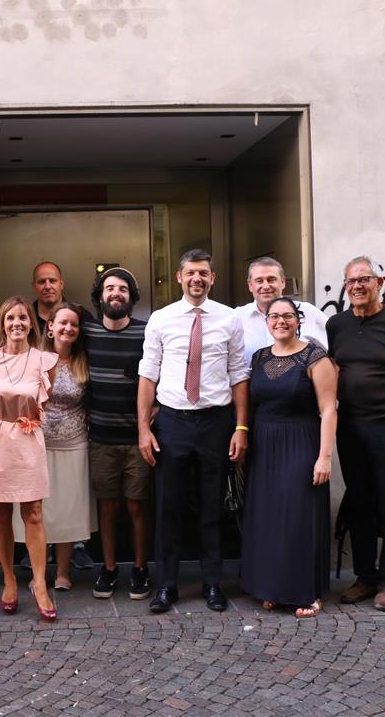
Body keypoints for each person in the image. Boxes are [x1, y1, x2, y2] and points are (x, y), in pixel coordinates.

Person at [138, 250, 250, 614]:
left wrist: (241, 427)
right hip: (172, 421)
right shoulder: (161, 319)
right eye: (190, 273)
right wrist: (143, 429)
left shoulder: (230, 319)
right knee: (168, 506)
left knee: (211, 505)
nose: (196, 279)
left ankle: (213, 582)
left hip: (215, 421)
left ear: (212, 278)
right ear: (179, 277)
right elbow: (148, 374)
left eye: (203, 273)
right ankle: (166, 585)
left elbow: (239, 374)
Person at [328, 256, 385, 611]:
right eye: (351, 281)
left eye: (364, 279)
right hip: (350, 426)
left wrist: (384, 401)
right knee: (359, 501)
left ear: (379, 283)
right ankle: (366, 577)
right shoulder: (337, 325)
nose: (357, 286)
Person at [239, 296, 337, 618]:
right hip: (265, 446)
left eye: (288, 316)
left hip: (301, 443)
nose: (280, 321)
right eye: (274, 316)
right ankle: (274, 588)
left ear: (298, 320)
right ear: (266, 322)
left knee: (298, 517)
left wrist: (325, 457)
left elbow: (328, 410)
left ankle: (306, 592)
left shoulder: (315, 357)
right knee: (269, 519)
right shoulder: (259, 357)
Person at [0, 296, 59, 621]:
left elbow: (43, 404)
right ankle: (9, 580)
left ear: (31, 324)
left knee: (34, 513)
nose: (17, 323)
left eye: (22, 317)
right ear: (2, 323)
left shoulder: (44, 360)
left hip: (27, 439)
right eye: (10, 318)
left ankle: (39, 583)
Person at [13, 303, 94, 591]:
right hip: (38, 445)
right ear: (50, 326)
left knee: (67, 510)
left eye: (74, 324)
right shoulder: (35, 359)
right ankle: (39, 574)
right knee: (39, 511)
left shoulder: (84, 361)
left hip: (74, 445)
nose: (68, 328)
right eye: (63, 323)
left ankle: (62, 573)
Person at [84, 267, 153, 601]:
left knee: (138, 507)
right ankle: (109, 568)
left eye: (122, 289)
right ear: (100, 296)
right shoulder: (87, 332)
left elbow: (160, 375)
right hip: (100, 438)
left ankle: (140, 568)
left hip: (138, 439)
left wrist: (155, 411)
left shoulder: (146, 332)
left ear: (131, 297)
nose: (116, 293)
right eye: (109, 288)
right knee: (108, 507)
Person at [28, 261, 95, 571]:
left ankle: (69, 558)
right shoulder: (28, 328)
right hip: (39, 441)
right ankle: (38, 559)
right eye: (42, 281)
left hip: (74, 441)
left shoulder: (83, 351)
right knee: (41, 505)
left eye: (52, 280)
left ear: (62, 283)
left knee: (68, 503)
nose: (48, 286)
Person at [234, 256, 329, 365]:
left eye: (271, 280)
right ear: (250, 285)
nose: (266, 286)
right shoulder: (237, 317)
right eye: (259, 281)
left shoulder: (308, 312)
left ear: (283, 282)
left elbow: (334, 353)